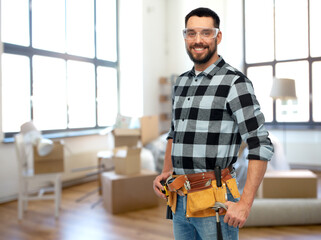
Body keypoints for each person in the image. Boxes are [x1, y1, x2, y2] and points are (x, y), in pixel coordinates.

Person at [153, 7, 274, 240]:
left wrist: (245, 204)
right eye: (191, 33)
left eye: (206, 33)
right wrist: (166, 171)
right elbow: (174, 132)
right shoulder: (181, 82)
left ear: (218, 37)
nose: (198, 40)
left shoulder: (235, 82)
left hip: (216, 201)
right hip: (179, 201)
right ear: (185, 36)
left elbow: (260, 144)